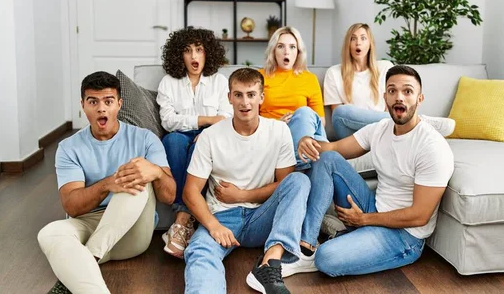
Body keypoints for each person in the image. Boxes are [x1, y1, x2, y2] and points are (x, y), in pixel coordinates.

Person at [282, 65, 454, 278]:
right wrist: (305, 140)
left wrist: (364, 220)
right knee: (327, 159)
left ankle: (344, 236)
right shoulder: (380, 128)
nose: (399, 97)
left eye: (407, 91)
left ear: (420, 99)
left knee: (326, 258)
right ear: (385, 98)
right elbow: (334, 149)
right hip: (373, 208)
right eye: (392, 91)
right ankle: (306, 247)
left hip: (404, 236)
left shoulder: (432, 147)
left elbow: (420, 216)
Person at [37, 71, 176, 293]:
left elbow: (169, 197)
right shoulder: (68, 147)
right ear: (83, 105)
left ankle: (89, 256)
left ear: (119, 104)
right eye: (93, 101)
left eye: (108, 101)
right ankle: (90, 266)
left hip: (131, 233)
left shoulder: (145, 138)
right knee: (49, 233)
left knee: (136, 177)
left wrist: (157, 173)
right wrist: (107, 184)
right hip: (89, 224)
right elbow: (72, 206)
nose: (101, 108)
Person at [183, 68, 310, 294]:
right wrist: (213, 226)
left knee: (299, 180)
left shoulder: (279, 130)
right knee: (199, 250)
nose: (245, 102)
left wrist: (243, 195)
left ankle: (270, 263)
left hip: (263, 216)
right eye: (238, 95)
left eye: (251, 94)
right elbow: (190, 192)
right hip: (222, 217)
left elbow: (286, 184)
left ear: (261, 97)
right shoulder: (211, 136)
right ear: (229, 97)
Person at [157, 27, 233, 258]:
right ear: (179, 55)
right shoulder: (168, 82)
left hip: (210, 138)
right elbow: (169, 121)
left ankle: (181, 222)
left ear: (207, 53)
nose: (193, 57)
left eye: (199, 50)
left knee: (200, 144)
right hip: (179, 137)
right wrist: (206, 120)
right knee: (173, 141)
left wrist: (208, 131)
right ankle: (185, 217)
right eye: (188, 51)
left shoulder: (220, 81)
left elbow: (227, 117)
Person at [325, 23, 455, 139]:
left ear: (370, 44)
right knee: (341, 111)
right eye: (353, 39)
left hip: (381, 131)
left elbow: (392, 107)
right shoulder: (334, 73)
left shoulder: (385, 67)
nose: (358, 43)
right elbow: (338, 117)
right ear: (348, 44)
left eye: (363, 38)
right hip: (349, 133)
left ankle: (415, 122)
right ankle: (417, 121)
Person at [259, 26, 327, 170]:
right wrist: (277, 124)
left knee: (304, 112)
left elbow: (320, 120)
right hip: (274, 134)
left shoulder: (309, 79)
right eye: (280, 46)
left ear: (298, 52)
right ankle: (304, 163)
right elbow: (250, 118)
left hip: (305, 135)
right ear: (273, 51)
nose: (286, 51)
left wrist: (299, 123)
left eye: (292, 47)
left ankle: (298, 161)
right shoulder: (260, 77)